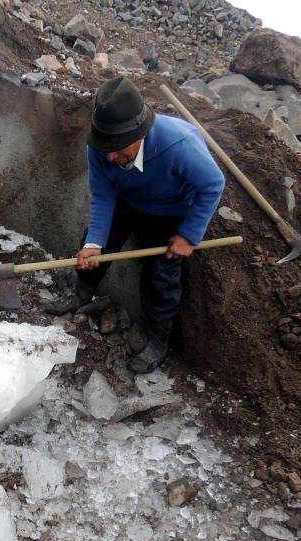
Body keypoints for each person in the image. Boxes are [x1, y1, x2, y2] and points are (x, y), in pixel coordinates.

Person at [47, 77, 225, 374]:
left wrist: (189, 235)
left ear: (140, 133)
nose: (111, 157)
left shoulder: (178, 145)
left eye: (118, 148)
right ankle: (81, 295)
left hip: (172, 209)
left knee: (162, 274)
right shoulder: (101, 149)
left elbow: (213, 185)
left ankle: (158, 337)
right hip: (128, 200)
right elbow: (103, 195)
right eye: (106, 148)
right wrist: (94, 244)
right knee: (92, 246)